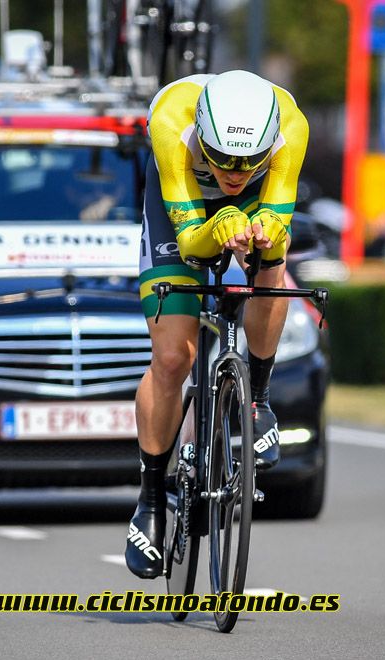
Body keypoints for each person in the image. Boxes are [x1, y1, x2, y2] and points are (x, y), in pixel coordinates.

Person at [126, 70, 308, 578]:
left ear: (271, 144)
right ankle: (151, 498)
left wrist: (265, 229)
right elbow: (189, 243)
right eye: (223, 157)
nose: (235, 170)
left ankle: (257, 399)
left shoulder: (292, 126)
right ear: (202, 134)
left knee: (274, 259)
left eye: (251, 160)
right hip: (178, 207)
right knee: (171, 358)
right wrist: (214, 226)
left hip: (253, 208)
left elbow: (277, 213)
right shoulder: (171, 122)